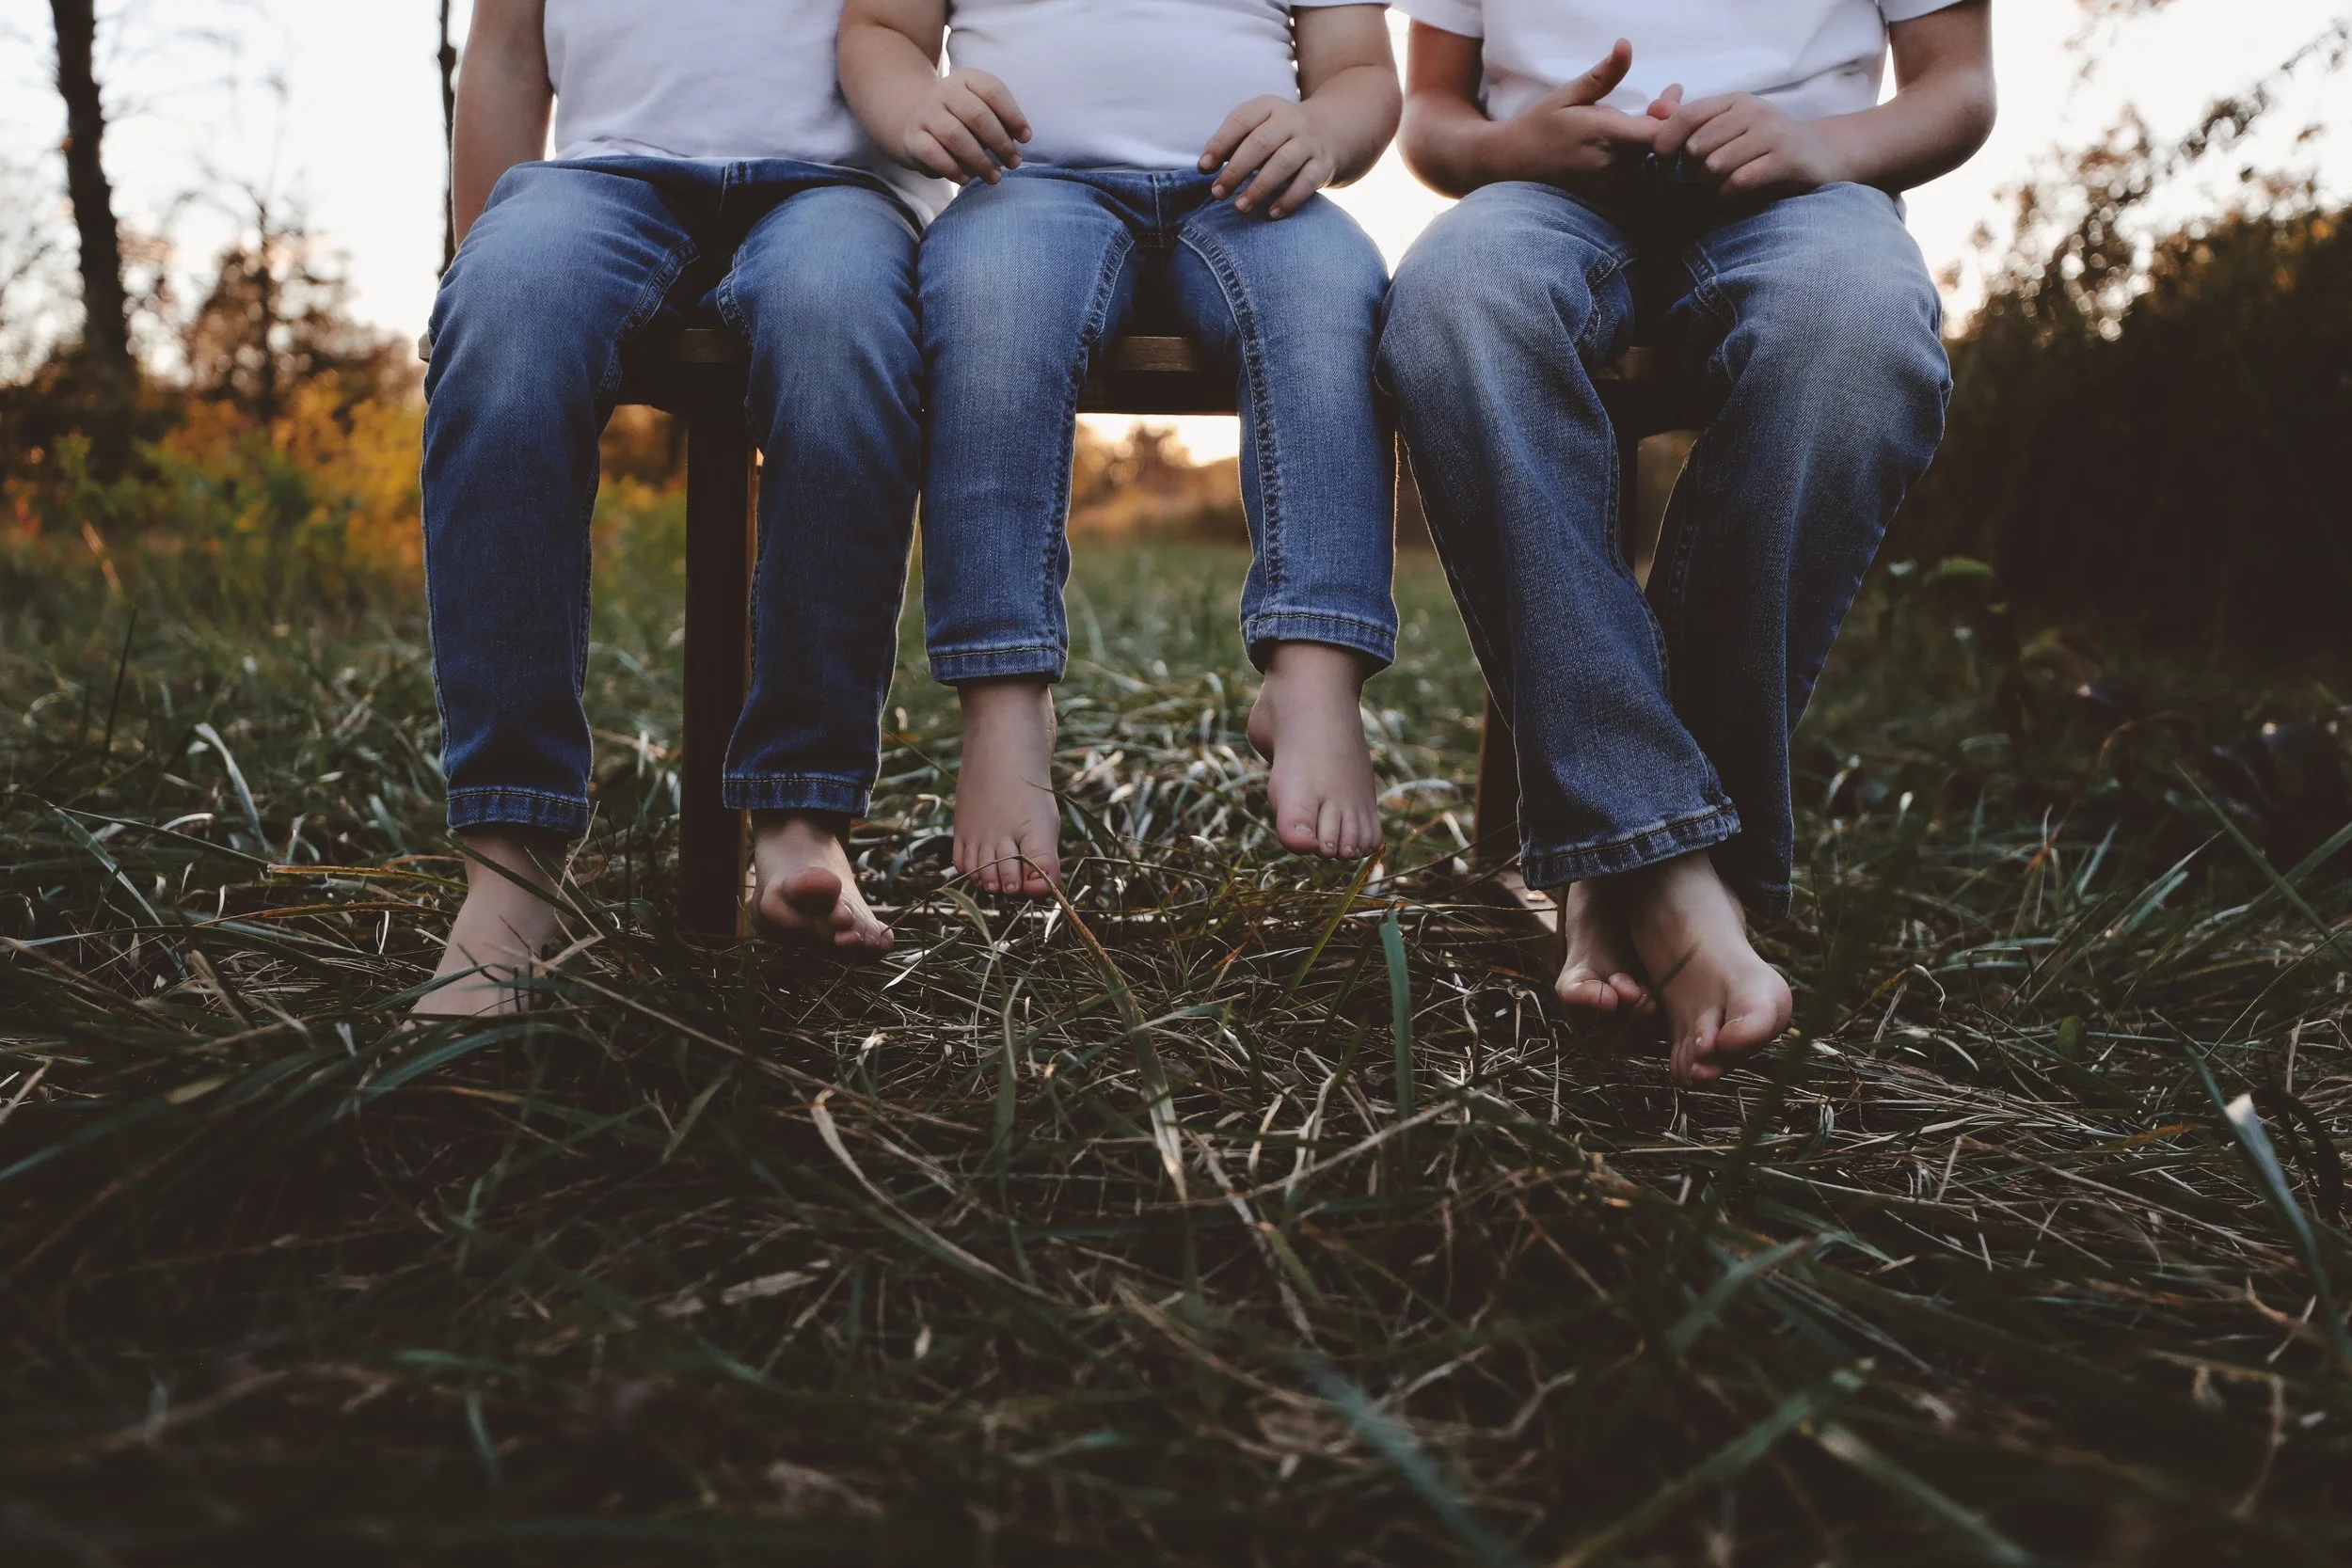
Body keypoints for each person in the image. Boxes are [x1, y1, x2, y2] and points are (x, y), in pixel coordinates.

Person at [1378, 2, 1995, 1082]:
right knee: (1451, 304)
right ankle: (1668, 866)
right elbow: (1430, 111)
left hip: (1810, 199)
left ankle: (1627, 865)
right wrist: (1498, 147)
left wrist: (1821, 143)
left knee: (1854, 339)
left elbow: (1957, 88)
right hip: (1539, 201)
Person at [417, 0, 947, 1015]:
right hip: (603, 181)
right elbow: (505, 51)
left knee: (842, 338)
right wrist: (488, 254)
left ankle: (803, 812)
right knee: (506, 321)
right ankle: (510, 859)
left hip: (840, 189)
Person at [838, 0, 1403, 896]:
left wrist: (1321, 130)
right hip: (1025, 187)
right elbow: (877, 29)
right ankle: (1006, 700)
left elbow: (1362, 74)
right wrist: (917, 104)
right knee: (995, 308)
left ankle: (1316, 668)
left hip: (1255, 194)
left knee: (1333, 299)